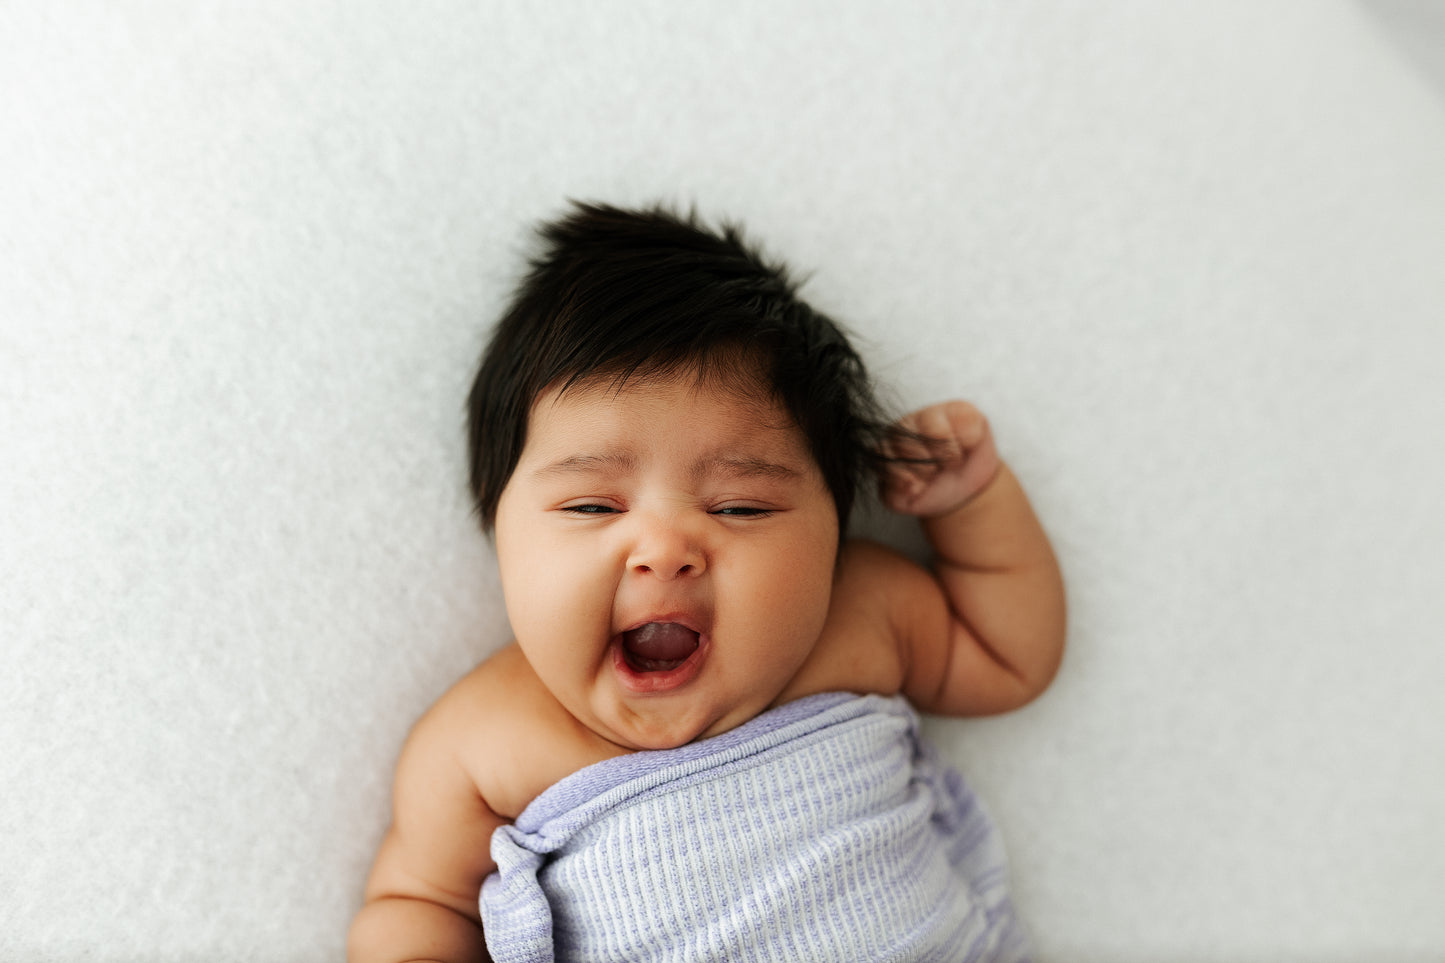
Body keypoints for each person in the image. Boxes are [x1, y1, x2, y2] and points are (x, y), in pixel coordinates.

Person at [348, 202, 1067, 963]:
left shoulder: (861, 615)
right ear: (500, 531)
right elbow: (416, 902)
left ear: (832, 531)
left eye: (739, 505)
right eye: (593, 504)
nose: (664, 550)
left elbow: (1008, 655)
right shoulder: (480, 740)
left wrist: (970, 506)